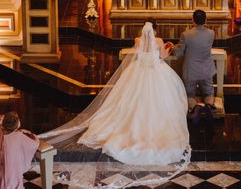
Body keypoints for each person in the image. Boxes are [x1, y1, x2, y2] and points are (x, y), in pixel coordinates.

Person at [41, 20, 190, 171]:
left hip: (137, 71)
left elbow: (136, 56)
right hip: (156, 72)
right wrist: (168, 48)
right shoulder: (158, 41)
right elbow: (161, 57)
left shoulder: (137, 40)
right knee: (159, 101)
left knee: (130, 99)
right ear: (155, 30)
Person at [172, 10, 216, 118]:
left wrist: (172, 48)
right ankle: (209, 105)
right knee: (209, 93)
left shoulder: (186, 35)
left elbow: (178, 52)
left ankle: (194, 107)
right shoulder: (211, 33)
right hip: (206, 70)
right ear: (205, 20)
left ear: (193, 20)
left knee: (189, 94)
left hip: (191, 71)